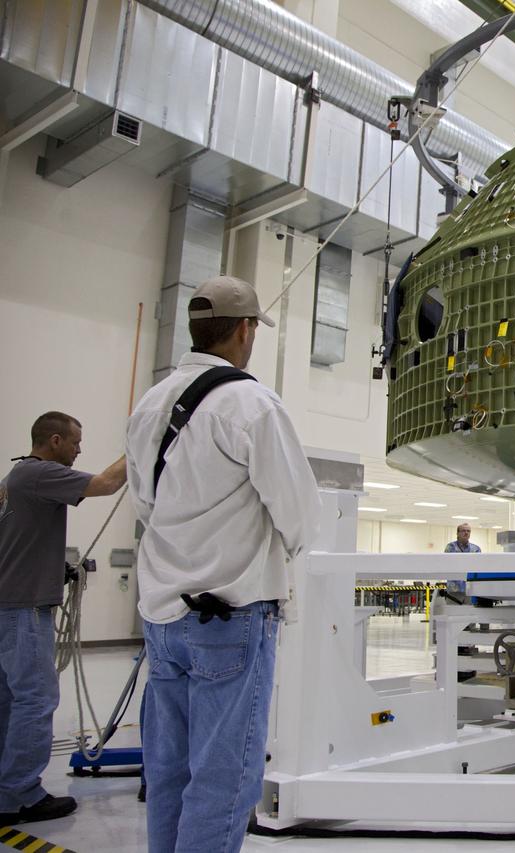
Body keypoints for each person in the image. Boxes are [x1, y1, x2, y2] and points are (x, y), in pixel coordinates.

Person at [125, 276, 321, 853]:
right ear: (245, 329)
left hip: (162, 617)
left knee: (169, 772)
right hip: (228, 619)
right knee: (224, 778)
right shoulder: (250, 402)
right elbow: (301, 513)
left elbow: (144, 503)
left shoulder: (149, 403)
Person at [0, 413, 126, 824]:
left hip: (10, 606)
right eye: (75, 443)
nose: (78, 450)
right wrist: (146, 441)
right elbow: (106, 484)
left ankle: (6, 789)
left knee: (10, 700)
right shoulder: (41, 474)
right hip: (24, 610)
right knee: (36, 699)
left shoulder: (16, 478)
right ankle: (21, 795)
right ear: (54, 441)